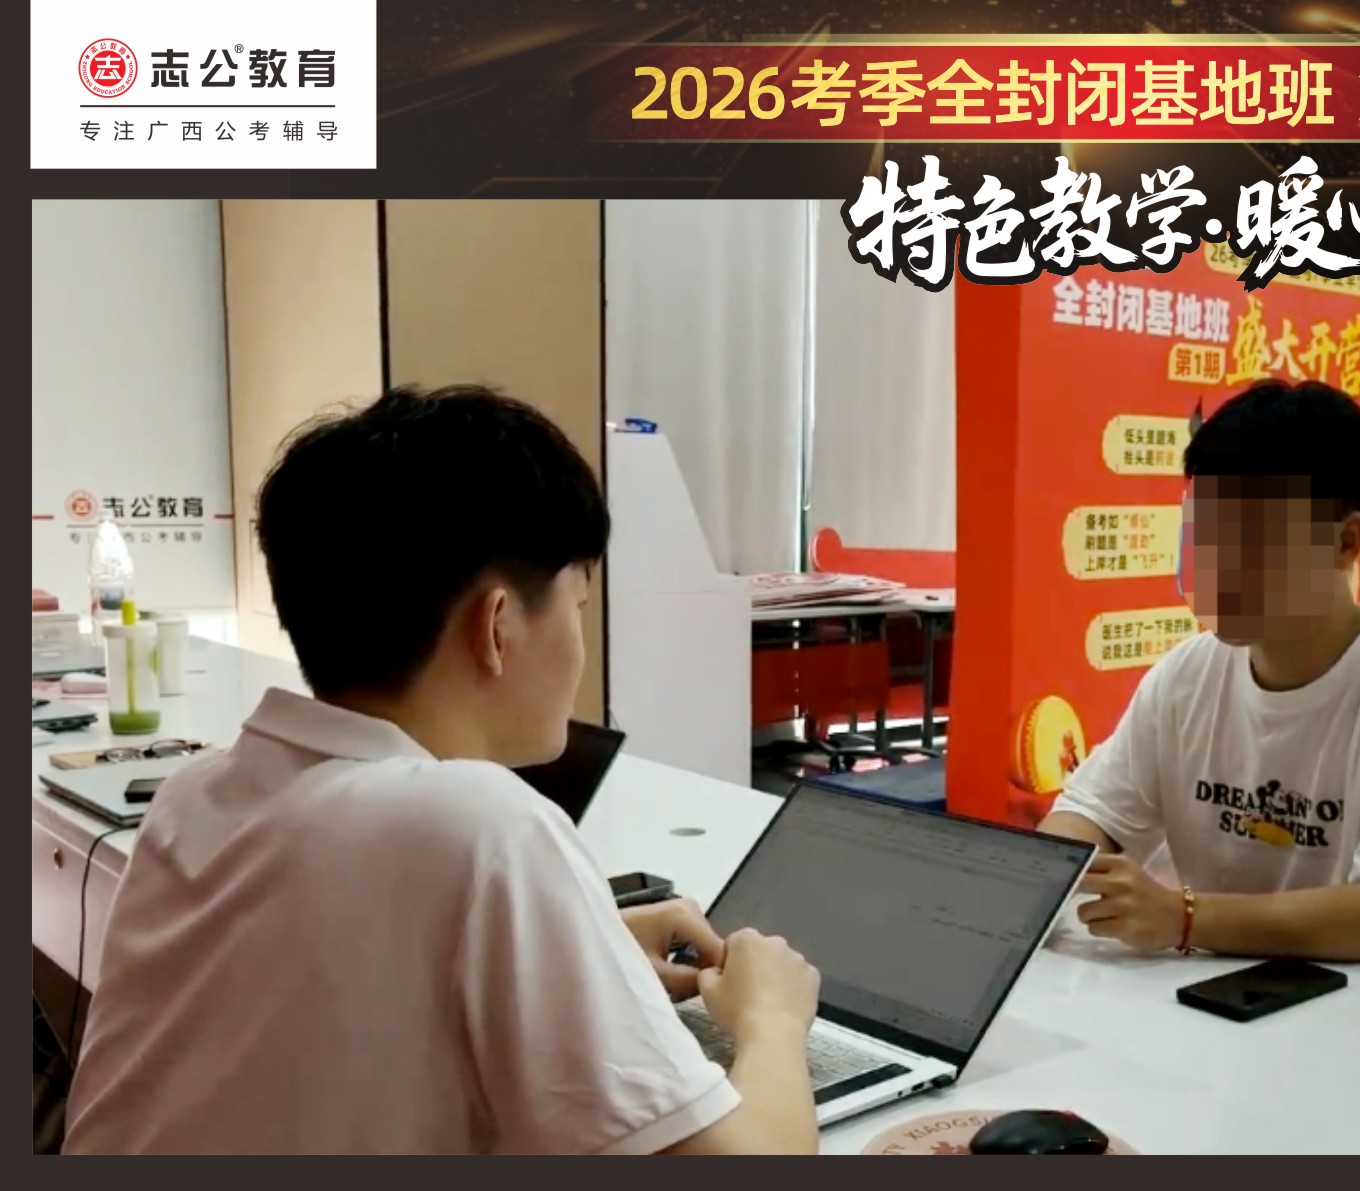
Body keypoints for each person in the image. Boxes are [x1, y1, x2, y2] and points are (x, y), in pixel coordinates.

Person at [66, 386, 821, 1155]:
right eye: (577, 607)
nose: (580, 645)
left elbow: (318, 993)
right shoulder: (481, 822)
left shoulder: (192, 797)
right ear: (497, 625)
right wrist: (773, 1017)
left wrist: (589, 954)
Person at [1040, 379, 1360, 987]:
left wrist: (1185, 918)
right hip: (1234, 998)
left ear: (1345, 541)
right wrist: (1046, 873)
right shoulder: (1186, 678)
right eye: (1206, 533)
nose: (1219, 566)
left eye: (1254, 539)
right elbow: (1089, 816)